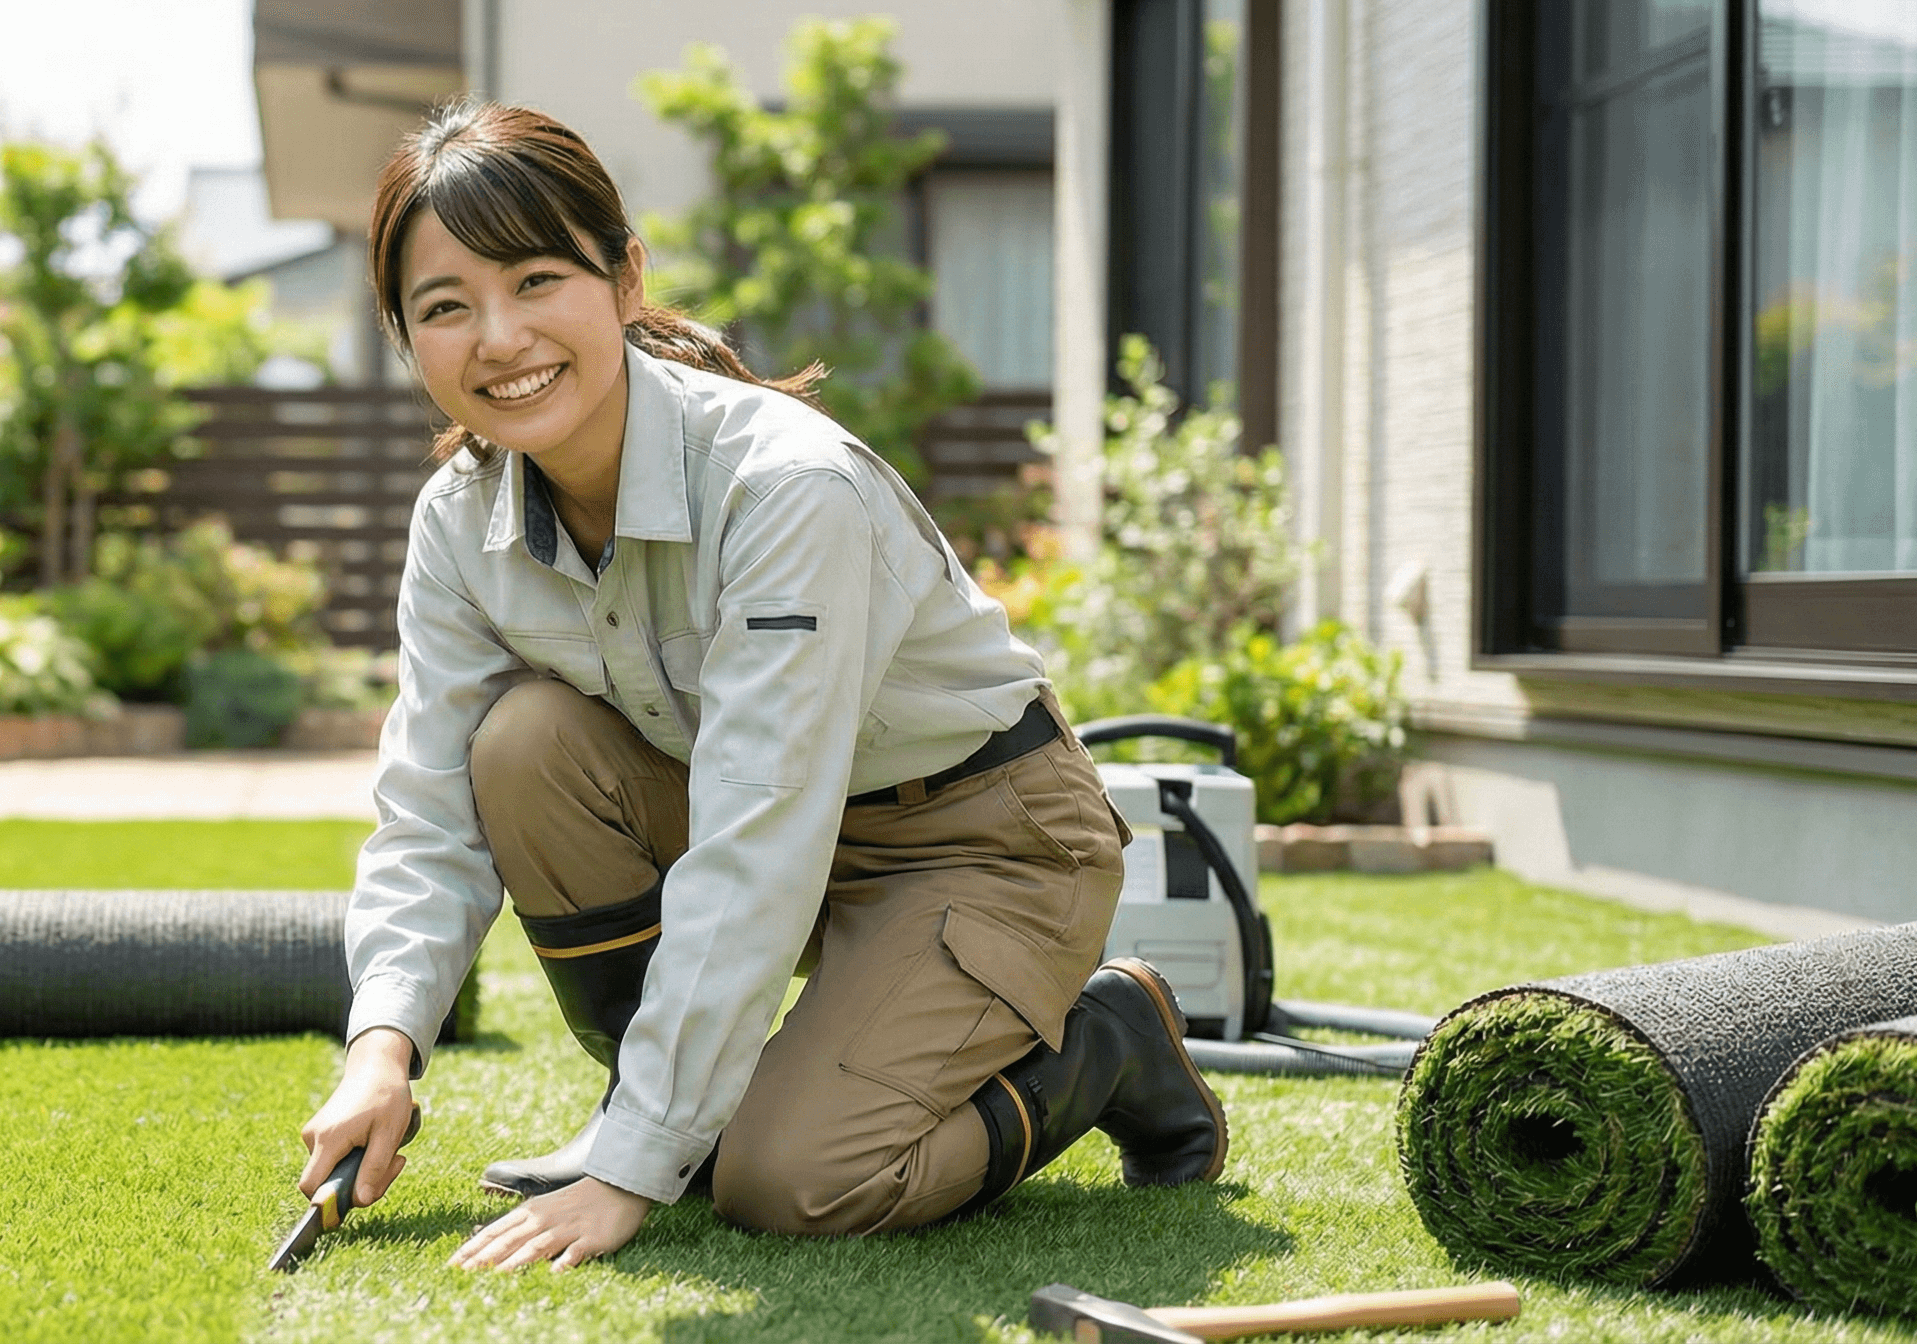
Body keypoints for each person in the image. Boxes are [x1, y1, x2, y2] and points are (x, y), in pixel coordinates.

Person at [292, 101, 1228, 1273]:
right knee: (520, 745)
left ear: (626, 278)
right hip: (788, 828)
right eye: (445, 307)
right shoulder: (459, 521)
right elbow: (431, 809)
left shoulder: (787, 486)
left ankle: (1107, 1041)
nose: (498, 338)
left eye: (536, 280)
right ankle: (669, 1125)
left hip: (985, 846)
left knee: (795, 1180)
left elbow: (759, 833)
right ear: (406, 337)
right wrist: (381, 1049)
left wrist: (631, 1165)